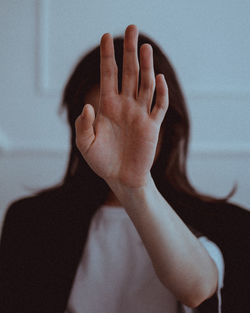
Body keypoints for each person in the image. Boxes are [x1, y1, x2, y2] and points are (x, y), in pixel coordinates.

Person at [0, 25, 249, 313]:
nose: (118, 140)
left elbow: (199, 291)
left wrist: (135, 185)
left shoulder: (231, 226)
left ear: (167, 127)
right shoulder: (30, 222)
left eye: (132, 122)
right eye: (102, 122)